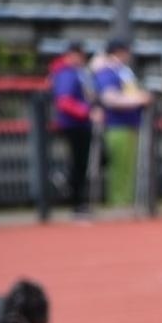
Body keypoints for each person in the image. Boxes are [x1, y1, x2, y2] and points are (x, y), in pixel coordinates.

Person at [91, 38, 150, 207]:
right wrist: (138, 100)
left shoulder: (122, 71)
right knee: (119, 166)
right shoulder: (107, 72)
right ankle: (119, 200)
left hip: (130, 123)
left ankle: (126, 199)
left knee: (128, 166)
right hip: (116, 125)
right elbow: (110, 98)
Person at [48, 41, 98, 218]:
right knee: (78, 164)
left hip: (81, 124)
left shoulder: (79, 72)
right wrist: (86, 112)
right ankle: (76, 200)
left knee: (83, 163)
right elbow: (64, 101)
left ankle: (73, 192)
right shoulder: (66, 73)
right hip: (73, 124)